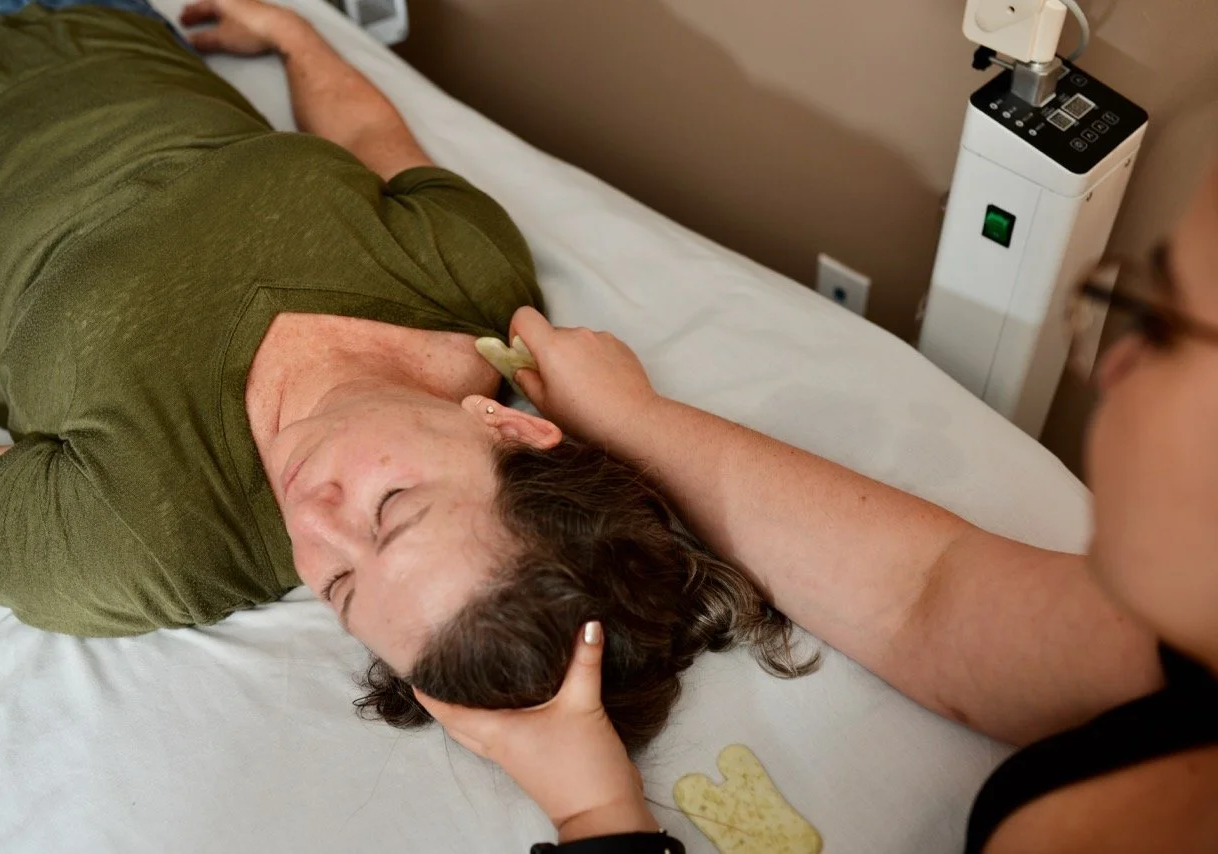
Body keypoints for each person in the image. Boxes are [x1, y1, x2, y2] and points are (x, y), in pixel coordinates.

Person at [0, 0, 812, 752]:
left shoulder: (150, 537)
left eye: (343, 590)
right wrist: (296, 38)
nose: (313, 524)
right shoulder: (468, 284)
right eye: (388, 511)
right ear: (506, 426)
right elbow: (365, 140)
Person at [417, 167, 1218, 850]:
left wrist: (597, 814)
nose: (1115, 367)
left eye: (1166, 326)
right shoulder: (1188, 620)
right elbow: (926, 596)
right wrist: (637, 419)